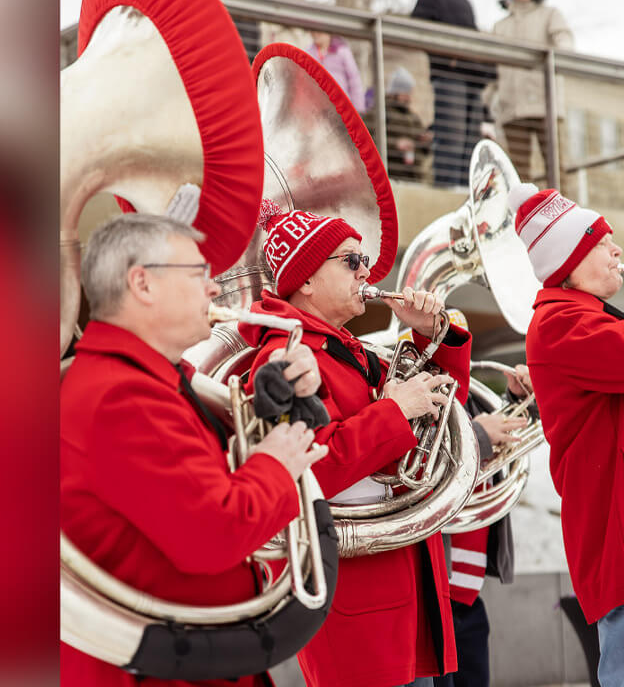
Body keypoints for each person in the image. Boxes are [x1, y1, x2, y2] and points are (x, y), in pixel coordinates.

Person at [60, 214, 331, 687]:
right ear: (142, 283)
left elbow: (202, 478)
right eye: (198, 274)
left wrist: (280, 401)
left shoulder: (154, 382)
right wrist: (276, 462)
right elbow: (214, 532)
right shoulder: (121, 396)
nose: (213, 291)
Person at [239, 200, 473, 687]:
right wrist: (393, 411)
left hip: (404, 574)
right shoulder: (280, 359)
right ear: (305, 278)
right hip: (355, 591)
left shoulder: (354, 351)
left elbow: (441, 412)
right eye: (351, 260)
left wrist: (434, 337)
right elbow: (304, 473)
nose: (366, 270)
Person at [509, 183, 624, 687]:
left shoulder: (589, 318)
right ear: (571, 257)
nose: (617, 250)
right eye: (603, 241)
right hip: (623, 543)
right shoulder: (560, 323)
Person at [436, 341, 532, 687]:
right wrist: (478, 435)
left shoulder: (472, 399)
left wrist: (520, 399)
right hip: (436, 599)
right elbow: (427, 462)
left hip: (468, 597)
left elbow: (505, 433)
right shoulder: (422, 400)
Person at [483, 0, 574, 177]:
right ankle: (524, 210)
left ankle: (563, 209)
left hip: (546, 104)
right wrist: (485, 103)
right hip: (512, 108)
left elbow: (564, 41)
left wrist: (564, 54)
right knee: (518, 174)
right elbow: (493, 69)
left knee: (556, 169)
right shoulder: (501, 25)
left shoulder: (550, 14)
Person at [412, 0, 495, 189]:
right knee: (451, 139)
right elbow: (416, 27)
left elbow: (473, 39)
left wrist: (486, 67)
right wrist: (445, 55)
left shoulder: (465, 1)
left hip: (472, 78)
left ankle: (467, 192)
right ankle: (447, 191)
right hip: (449, 74)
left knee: (471, 144)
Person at [363, 67, 434, 182]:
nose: (409, 97)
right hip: (388, 176)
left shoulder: (413, 118)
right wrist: (395, 144)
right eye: (405, 92)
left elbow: (422, 149)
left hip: (412, 178)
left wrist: (424, 142)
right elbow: (365, 140)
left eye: (409, 92)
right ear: (395, 92)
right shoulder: (380, 112)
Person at [307, 31, 367, 113]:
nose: (315, 34)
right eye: (312, 30)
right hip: (318, 108)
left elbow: (354, 80)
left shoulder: (341, 51)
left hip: (341, 107)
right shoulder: (308, 52)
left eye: (319, 31)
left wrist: (358, 108)